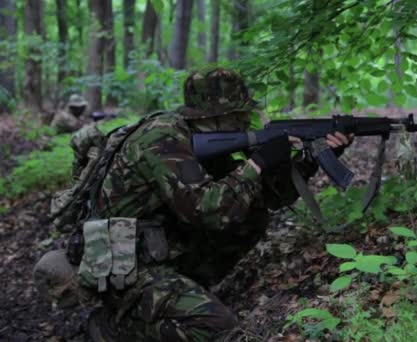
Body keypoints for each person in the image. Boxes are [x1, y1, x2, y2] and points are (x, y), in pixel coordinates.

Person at [34, 68, 352, 341]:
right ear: (215, 115)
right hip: (123, 264)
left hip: (160, 250)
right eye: (238, 113)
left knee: (251, 211)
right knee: (215, 327)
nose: (245, 119)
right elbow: (208, 210)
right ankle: (111, 328)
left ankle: (186, 291)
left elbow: (267, 197)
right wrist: (255, 164)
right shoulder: (162, 139)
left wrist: (313, 157)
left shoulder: (204, 140)